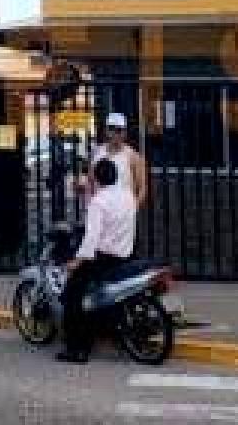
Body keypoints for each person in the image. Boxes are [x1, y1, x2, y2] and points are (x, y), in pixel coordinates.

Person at [57, 158, 137, 363]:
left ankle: (77, 349)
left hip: (102, 258)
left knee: (71, 295)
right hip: (125, 256)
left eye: (91, 176)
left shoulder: (99, 202)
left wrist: (76, 262)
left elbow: (91, 239)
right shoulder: (128, 196)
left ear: (97, 178)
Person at [83, 112, 149, 209]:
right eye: (111, 129)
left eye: (119, 130)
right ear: (106, 131)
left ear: (124, 133)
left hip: (122, 208)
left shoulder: (133, 156)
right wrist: (89, 205)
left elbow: (142, 187)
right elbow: (90, 182)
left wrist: (132, 208)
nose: (115, 134)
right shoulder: (97, 153)